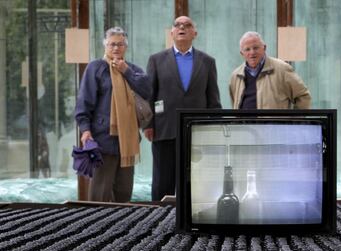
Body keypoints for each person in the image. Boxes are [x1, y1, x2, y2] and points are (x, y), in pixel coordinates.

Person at [145, 16, 222, 201]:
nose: (182, 28)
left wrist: (215, 129)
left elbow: (213, 99)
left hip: (197, 133)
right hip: (164, 130)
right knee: (162, 183)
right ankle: (156, 224)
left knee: (196, 183)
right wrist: (148, 124)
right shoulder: (156, 60)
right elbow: (149, 94)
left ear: (194, 33)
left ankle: (194, 224)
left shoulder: (207, 61)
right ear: (171, 33)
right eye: (177, 25)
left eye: (187, 25)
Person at [75, 26, 151, 202]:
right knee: (100, 193)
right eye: (112, 44)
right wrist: (85, 130)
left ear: (126, 47)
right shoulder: (96, 67)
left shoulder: (133, 69)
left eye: (120, 44)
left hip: (128, 141)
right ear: (105, 46)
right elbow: (84, 102)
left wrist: (126, 71)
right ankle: (96, 227)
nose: (116, 48)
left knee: (124, 193)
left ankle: (122, 227)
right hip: (103, 138)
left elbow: (147, 91)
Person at [229, 31, 311, 109]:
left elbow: (303, 96)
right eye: (247, 49)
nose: (252, 52)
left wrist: (295, 122)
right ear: (242, 53)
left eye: (256, 48)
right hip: (243, 124)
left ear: (264, 48)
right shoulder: (236, 76)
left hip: (274, 124)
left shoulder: (282, 69)